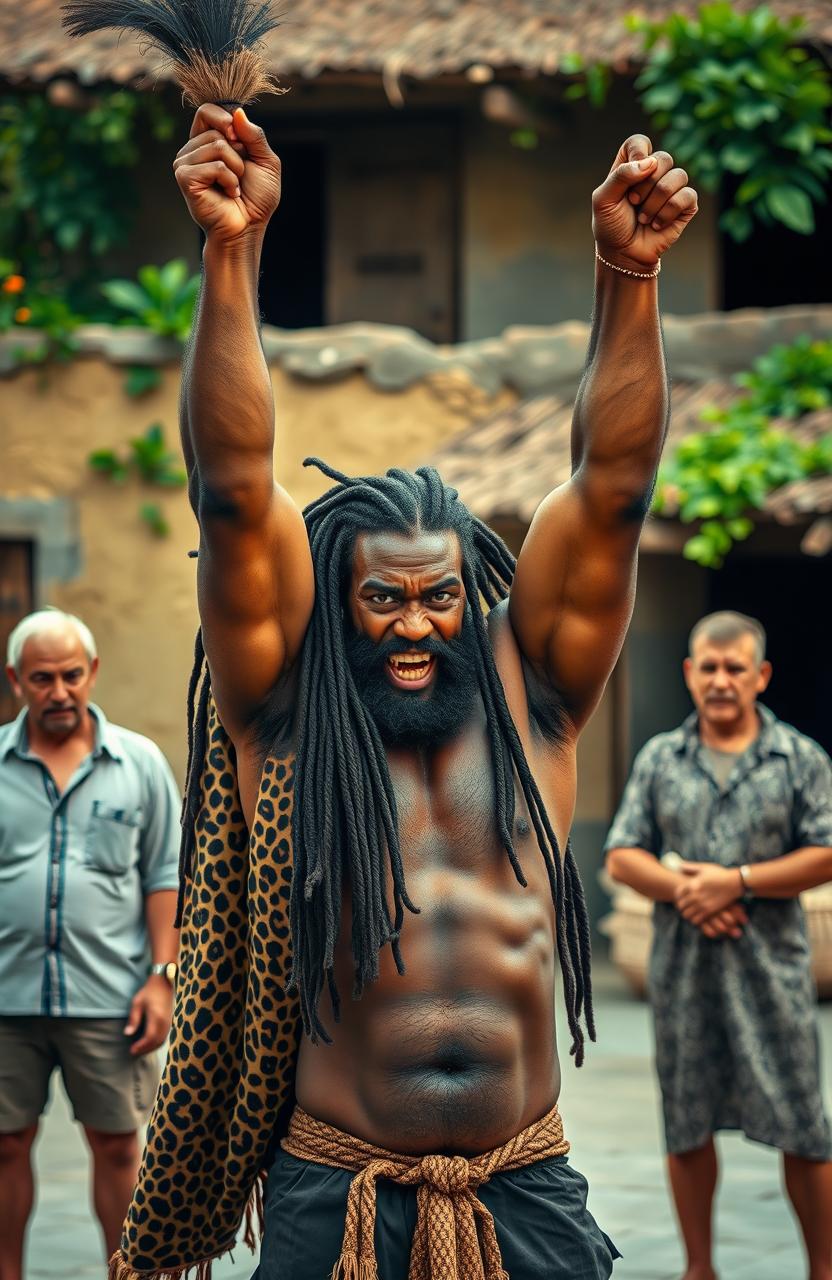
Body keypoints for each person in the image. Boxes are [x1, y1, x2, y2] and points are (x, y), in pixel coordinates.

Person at [110, 103, 698, 1280]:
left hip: (526, 1185)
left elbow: (614, 484)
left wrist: (625, 276)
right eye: (385, 602)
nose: (417, 624)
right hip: (337, 1191)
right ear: (340, 601)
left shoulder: (536, 694)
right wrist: (231, 251)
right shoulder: (280, 704)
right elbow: (232, 490)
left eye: (438, 597)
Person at [605, 610, 832, 1280]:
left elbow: (825, 852)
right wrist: (687, 894)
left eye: (736, 667)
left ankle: (822, 1267)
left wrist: (735, 883)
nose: (721, 680)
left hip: (774, 977)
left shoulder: (800, 759)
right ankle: (698, 1268)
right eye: (709, 666)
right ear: (689, 674)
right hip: (684, 976)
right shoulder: (659, 759)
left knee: (804, 1124)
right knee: (687, 1121)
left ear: (760, 676)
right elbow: (622, 855)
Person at [0, 609, 181, 1279]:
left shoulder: (138, 763)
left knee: (116, 1146)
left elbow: (166, 874)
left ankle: (125, 1273)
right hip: (6, 996)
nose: (59, 692)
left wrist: (162, 976)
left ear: (92, 673)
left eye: (71, 675)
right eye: (41, 678)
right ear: (17, 680)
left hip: (109, 997)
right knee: (5, 1144)